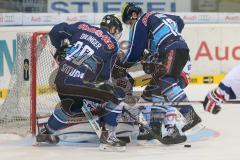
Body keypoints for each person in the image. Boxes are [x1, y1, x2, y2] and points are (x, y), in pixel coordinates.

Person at [114, 3, 202, 144]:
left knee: (165, 83)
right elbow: (179, 20)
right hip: (176, 54)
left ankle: (187, 118)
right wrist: (172, 35)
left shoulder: (140, 22)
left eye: (129, 22)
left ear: (131, 16)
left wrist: (121, 67)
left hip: (172, 54)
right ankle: (155, 127)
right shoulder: (156, 18)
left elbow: (134, 54)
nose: (130, 26)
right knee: (153, 92)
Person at [36, 14, 127, 151]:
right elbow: (103, 76)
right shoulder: (112, 44)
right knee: (115, 95)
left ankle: (47, 132)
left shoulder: (83, 27)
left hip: (61, 80)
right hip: (80, 83)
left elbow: (56, 30)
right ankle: (108, 136)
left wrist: (60, 48)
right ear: (114, 29)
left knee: (72, 106)